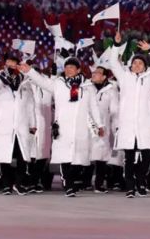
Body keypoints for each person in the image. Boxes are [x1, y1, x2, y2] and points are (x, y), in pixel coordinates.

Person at [20, 57, 104, 197]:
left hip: (80, 127)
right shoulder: (58, 84)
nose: (68, 69)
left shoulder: (87, 87)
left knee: (79, 159)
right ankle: (68, 185)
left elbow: (93, 107)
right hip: (63, 127)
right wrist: (30, 71)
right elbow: (43, 82)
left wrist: (99, 124)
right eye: (66, 67)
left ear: (78, 70)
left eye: (72, 67)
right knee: (65, 157)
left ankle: (70, 180)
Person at [106, 35, 150, 198]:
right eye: (134, 63)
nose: (137, 65)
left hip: (145, 124)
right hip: (128, 124)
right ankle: (130, 186)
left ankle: (140, 180)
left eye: (140, 63)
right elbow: (113, 63)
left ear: (145, 66)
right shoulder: (124, 78)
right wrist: (116, 44)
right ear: (130, 66)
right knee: (129, 158)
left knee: (147, 156)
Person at [0, 55, 36, 195]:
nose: (9, 65)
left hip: (21, 124)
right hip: (4, 124)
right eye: (7, 63)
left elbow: (30, 104)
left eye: (12, 63)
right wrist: (1, 79)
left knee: (22, 156)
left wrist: (33, 123)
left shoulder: (25, 81)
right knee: (4, 156)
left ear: (18, 65)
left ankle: (18, 184)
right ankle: (6, 185)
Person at [88, 62, 119, 194]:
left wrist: (116, 127)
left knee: (100, 156)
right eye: (94, 72)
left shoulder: (111, 90)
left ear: (105, 77)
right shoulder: (86, 87)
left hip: (102, 127)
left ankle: (99, 184)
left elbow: (114, 110)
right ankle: (81, 182)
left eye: (98, 73)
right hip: (85, 125)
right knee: (83, 154)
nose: (94, 74)